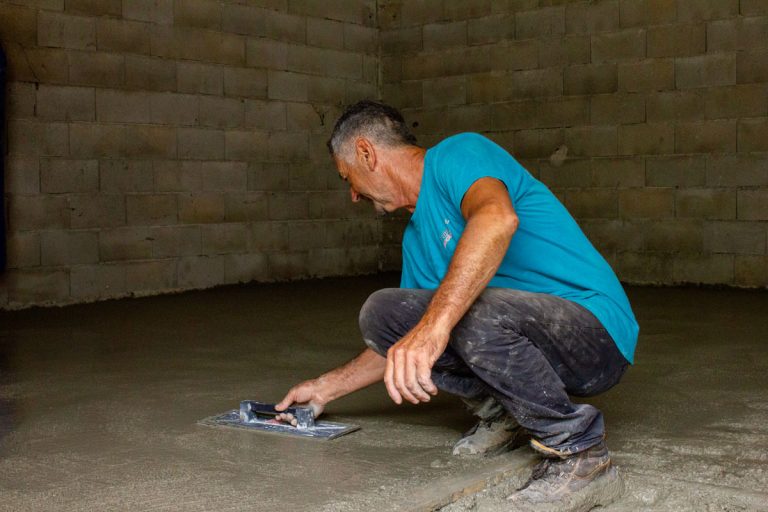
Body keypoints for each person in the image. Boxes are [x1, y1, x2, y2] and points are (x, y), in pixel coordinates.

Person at [275, 100, 638, 509]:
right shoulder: (416, 239)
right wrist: (326, 388)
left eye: (348, 179)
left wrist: (435, 327)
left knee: (465, 309)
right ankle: (503, 414)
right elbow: (406, 339)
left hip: (594, 332)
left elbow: (497, 219)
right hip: (521, 336)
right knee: (383, 312)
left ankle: (581, 455)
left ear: (365, 153)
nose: (354, 195)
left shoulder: (458, 155)